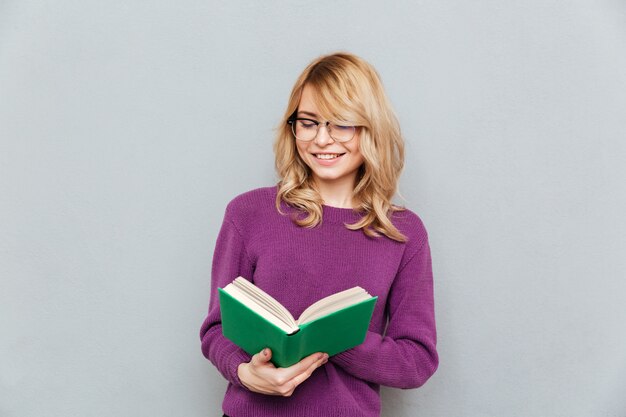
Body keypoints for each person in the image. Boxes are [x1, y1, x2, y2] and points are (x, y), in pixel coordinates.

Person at [199, 52, 438, 417]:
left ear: (370, 128)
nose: (322, 140)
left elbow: (417, 360)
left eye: (341, 124)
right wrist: (245, 373)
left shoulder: (403, 233)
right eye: (308, 123)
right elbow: (217, 329)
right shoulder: (248, 214)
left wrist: (334, 338)